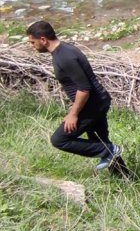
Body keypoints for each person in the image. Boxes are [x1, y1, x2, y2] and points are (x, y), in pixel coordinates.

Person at [26, 21, 126, 172]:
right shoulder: (64, 50)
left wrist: (73, 114)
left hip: (93, 105)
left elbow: (84, 89)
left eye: (32, 42)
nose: (32, 46)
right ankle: (125, 178)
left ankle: (110, 150)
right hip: (98, 102)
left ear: (43, 39)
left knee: (59, 140)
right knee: (98, 141)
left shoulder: (64, 56)